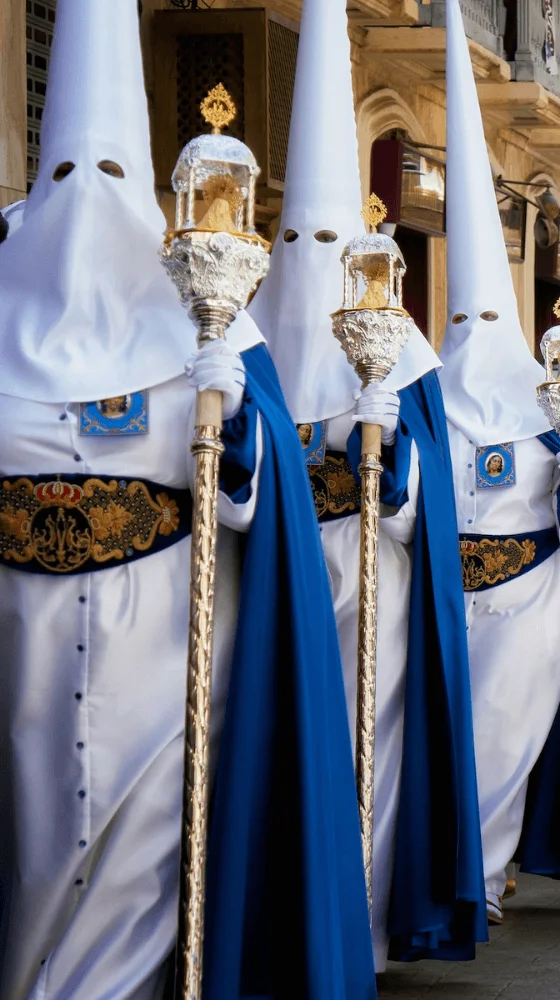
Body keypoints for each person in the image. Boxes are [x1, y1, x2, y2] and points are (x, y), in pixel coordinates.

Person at [0, 2, 376, 998]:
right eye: (74, 175)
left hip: (164, 635)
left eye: (113, 174)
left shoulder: (211, 322)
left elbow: (261, 503)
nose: (92, 203)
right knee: (29, 840)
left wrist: (238, 419)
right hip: (19, 641)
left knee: (149, 847)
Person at [249, 0, 487, 971]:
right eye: (292, 246)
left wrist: (389, 457)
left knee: (372, 753)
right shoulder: (238, 339)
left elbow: (423, 509)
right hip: (264, 590)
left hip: (370, 591)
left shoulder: (410, 358)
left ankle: (372, 929)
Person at [439, 0, 560, 926]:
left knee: (509, 742)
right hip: (443, 598)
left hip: (530, 595)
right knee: (442, 742)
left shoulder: (540, 408)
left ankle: (485, 877)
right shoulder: (423, 403)